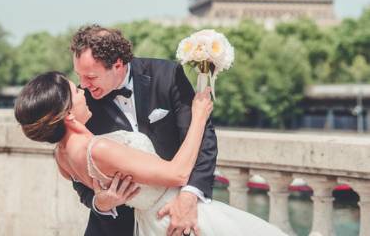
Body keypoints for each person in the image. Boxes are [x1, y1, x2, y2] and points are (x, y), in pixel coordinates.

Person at [14, 71, 287, 236]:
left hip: (151, 226)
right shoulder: (100, 149)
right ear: (69, 114)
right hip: (177, 220)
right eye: (76, 91)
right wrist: (199, 118)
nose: (83, 90)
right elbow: (178, 172)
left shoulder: (62, 157)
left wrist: (102, 202)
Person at [70, 25, 218, 236]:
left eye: (91, 77)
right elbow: (78, 168)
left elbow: (203, 138)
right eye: (79, 76)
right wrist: (100, 203)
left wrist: (189, 196)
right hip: (113, 229)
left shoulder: (168, 75)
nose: (83, 85)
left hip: (173, 220)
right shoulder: (83, 106)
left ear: (118, 64)